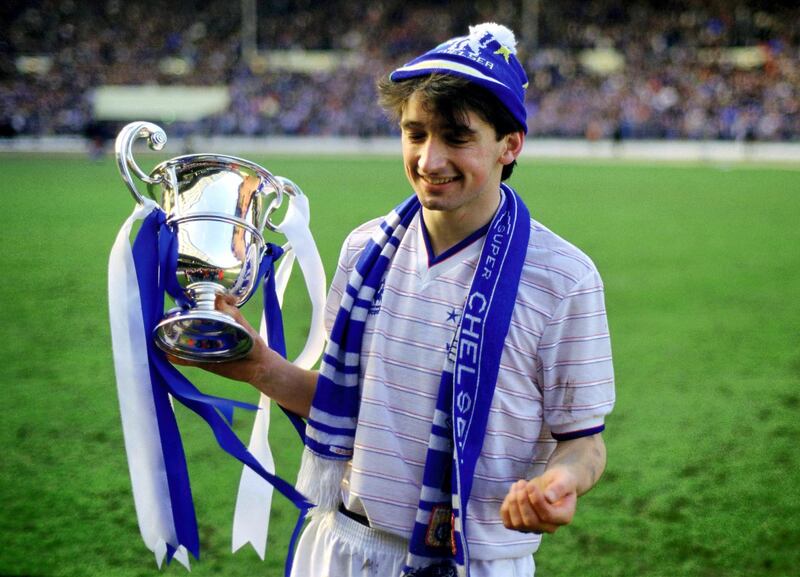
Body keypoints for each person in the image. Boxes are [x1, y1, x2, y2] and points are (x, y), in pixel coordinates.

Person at [172, 22, 615, 577]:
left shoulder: (563, 277)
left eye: (456, 138)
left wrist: (560, 481)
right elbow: (347, 403)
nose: (429, 161)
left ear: (510, 143)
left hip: (471, 561)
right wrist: (258, 364)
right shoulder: (366, 249)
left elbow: (584, 442)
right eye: (415, 134)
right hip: (341, 543)